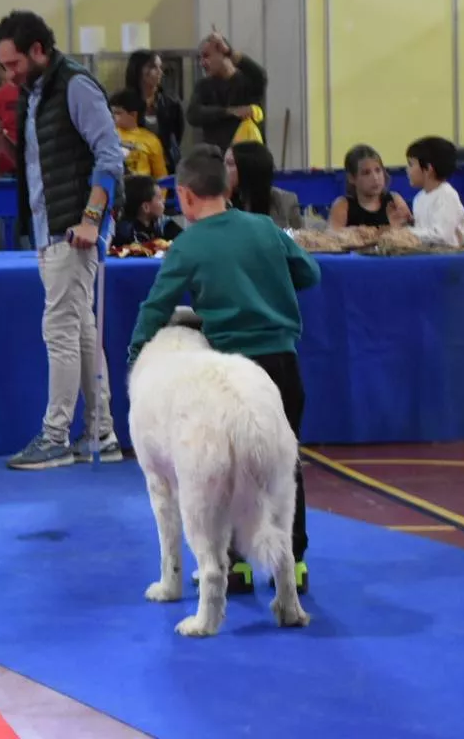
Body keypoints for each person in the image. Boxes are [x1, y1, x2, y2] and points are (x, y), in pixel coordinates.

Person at [127, 144, 320, 594]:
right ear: (227, 187)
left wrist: (136, 354)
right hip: (284, 362)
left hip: (232, 373)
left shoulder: (188, 244)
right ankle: (295, 562)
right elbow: (310, 273)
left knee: (229, 468)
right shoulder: (266, 228)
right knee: (283, 464)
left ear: (185, 197)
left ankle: (236, 566)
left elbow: (155, 308)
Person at [0, 10, 126, 470]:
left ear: (38, 50)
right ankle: (100, 432)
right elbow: (41, 165)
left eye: (13, 63)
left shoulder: (76, 86)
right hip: (52, 228)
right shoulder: (34, 94)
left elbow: (110, 155)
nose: (9, 74)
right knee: (79, 330)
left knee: (60, 330)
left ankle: (55, 436)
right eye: (3, 65)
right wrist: (3, 145)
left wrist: (90, 220)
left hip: (74, 229)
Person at [186, 32, 266, 152]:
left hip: (247, 158)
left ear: (223, 54)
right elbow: (193, 114)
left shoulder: (248, 81)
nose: (202, 63)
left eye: (206, 56)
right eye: (200, 58)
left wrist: (230, 52)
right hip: (217, 161)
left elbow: (260, 75)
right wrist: (229, 112)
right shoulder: (203, 86)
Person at [123, 50, 185, 170]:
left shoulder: (170, 102)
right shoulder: (123, 102)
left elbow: (177, 134)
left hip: (165, 164)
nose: (159, 72)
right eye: (153, 67)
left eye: (160, 67)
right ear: (138, 70)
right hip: (134, 164)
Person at [405, 136, 464, 248]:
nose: (407, 169)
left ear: (428, 169)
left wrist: (406, 233)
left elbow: (442, 236)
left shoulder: (447, 196)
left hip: (452, 261)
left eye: (411, 164)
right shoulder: (419, 198)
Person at [328, 144, 411, 229]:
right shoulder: (343, 206)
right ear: (352, 178)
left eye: (378, 170)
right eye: (366, 173)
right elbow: (333, 237)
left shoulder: (394, 201)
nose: (375, 178)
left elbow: (411, 232)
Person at [225, 142, 302, 229]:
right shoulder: (220, 202)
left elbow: (300, 238)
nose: (223, 169)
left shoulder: (285, 202)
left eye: (230, 164)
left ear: (249, 168)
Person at [109, 88, 169, 178]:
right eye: (111, 112)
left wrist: (158, 192)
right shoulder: (108, 135)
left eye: (118, 113)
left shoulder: (151, 140)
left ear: (133, 114)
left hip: (142, 188)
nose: (112, 116)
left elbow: (161, 177)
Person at [111, 174, 181, 251]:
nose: (163, 201)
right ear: (146, 207)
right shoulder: (124, 233)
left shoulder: (163, 224)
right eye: (160, 198)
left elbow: (183, 240)